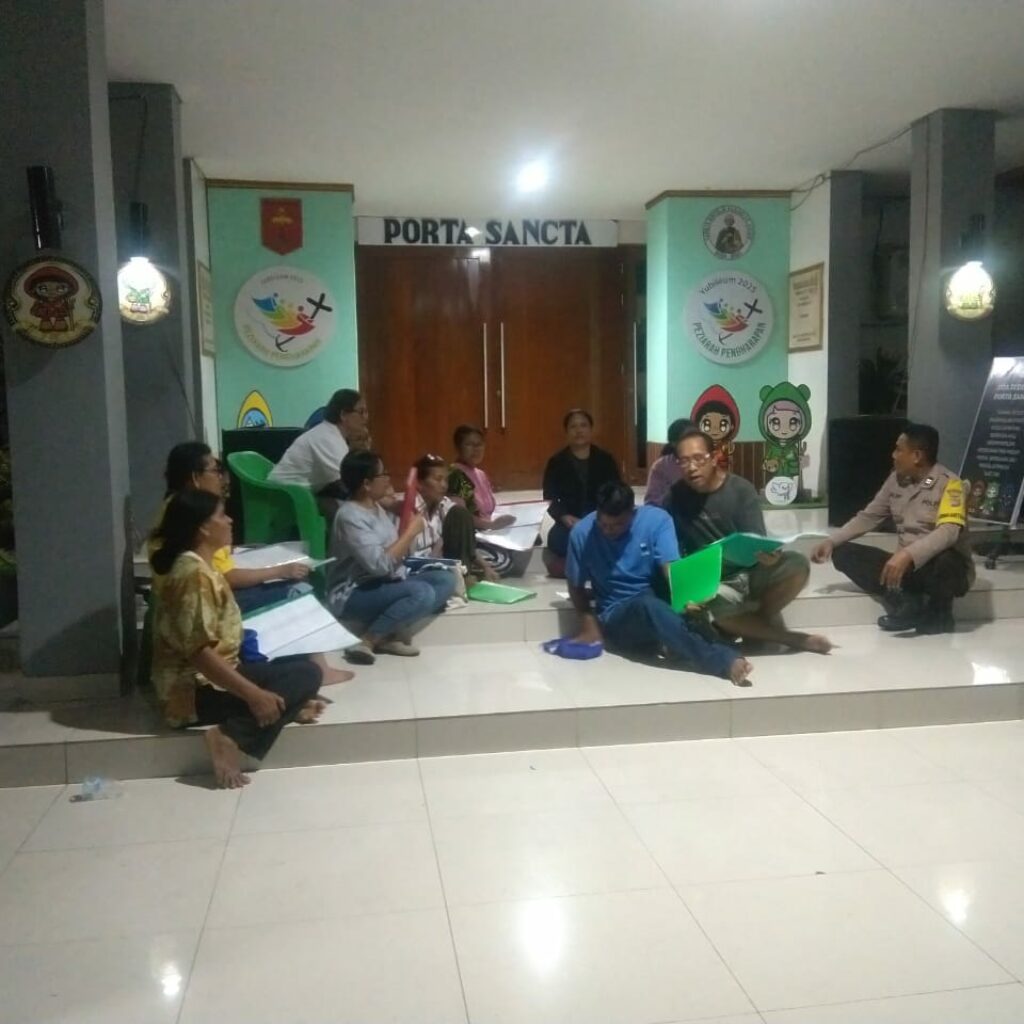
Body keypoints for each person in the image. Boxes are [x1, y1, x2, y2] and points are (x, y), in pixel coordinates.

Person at [150, 490, 350, 788]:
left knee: (302, 671)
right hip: (193, 692)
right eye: (221, 515)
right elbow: (199, 654)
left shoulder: (202, 567)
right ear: (203, 528)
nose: (230, 520)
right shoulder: (193, 575)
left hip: (217, 677)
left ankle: (285, 707)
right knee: (305, 675)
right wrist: (253, 695)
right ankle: (228, 736)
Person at [664, 429, 831, 654]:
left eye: (698, 459)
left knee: (798, 565)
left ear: (714, 458)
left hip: (751, 571)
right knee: (712, 599)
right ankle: (792, 639)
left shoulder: (740, 489)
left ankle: (750, 624)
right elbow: (670, 549)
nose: (692, 467)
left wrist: (769, 557)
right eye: (684, 461)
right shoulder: (675, 497)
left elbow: (756, 539)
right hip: (713, 580)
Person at [567, 481, 751, 685]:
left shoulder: (656, 520)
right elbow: (575, 586)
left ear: (633, 513)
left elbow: (669, 567)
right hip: (619, 613)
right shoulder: (582, 534)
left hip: (654, 596)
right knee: (648, 606)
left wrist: (688, 596)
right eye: (603, 525)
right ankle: (722, 661)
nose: (609, 530)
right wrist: (589, 622)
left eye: (618, 525)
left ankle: (682, 640)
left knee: (675, 599)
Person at [811, 423, 974, 634]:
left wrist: (908, 555)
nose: (893, 455)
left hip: (940, 569)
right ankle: (907, 602)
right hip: (906, 567)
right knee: (843, 552)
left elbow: (949, 532)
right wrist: (831, 541)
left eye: (899, 450)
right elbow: (869, 517)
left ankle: (939, 613)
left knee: (947, 560)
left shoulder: (951, 484)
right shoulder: (895, 479)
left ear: (917, 456)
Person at [328, 449, 457, 664]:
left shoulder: (375, 505)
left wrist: (403, 510)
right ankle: (370, 639)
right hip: (354, 592)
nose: (388, 479)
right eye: (383, 474)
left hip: (386, 581)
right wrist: (410, 533)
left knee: (446, 579)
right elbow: (380, 565)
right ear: (366, 484)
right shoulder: (349, 516)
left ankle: (388, 633)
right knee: (422, 592)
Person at [151, 442, 312, 613]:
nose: (220, 478)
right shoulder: (192, 512)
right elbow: (227, 577)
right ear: (195, 478)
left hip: (194, 595)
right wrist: (280, 571)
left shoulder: (178, 505)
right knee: (297, 588)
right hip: (209, 600)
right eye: (215, 471)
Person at [542, 408, 622, 575]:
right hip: (569, 522)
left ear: (591, 430)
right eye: (573, 426)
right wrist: (564, 516)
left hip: (602, 520)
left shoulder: (605, 460)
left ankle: (578, 565)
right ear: (566, 432)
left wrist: (602, 516)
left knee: (616, 536)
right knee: (557, 540)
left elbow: (617, 492)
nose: (579, 430)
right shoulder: (556, 462)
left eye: (583, 425)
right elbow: (549, 497)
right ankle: (593, 563)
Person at [409, 454, 498, 583]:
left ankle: (463, 575)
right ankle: (460, 578)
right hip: (416, 572)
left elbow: (465, 538)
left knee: (461, 514)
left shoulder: (443, 504)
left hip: (439, 565)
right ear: (419, 484)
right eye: (438, 479)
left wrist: (486, 567)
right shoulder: (407, 511)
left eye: (445, 480)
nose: (444, 485)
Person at [447, 424, 518, 576]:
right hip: (471, 537)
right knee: (503, 563)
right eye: (469, 444)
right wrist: (491, 525)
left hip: (489, 533)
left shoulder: (481, 474)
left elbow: (488, 510)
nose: (476, 449)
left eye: (479, 444)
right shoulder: (455, 475)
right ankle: (463, 567)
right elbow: (462, 518)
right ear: (458, 447)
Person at [269, 388, 368, 492]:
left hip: (300, 492)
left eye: (366, 412)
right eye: (361, 412)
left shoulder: (330, 433)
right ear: (343, 415)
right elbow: (353, 482)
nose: (366, 417)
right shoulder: (327, 439)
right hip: (284, 495)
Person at [644, 417, 693, 506]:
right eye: (688, 439)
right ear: (674, 443)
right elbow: (651, 502)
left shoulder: (707, 462)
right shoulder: (661, 466)